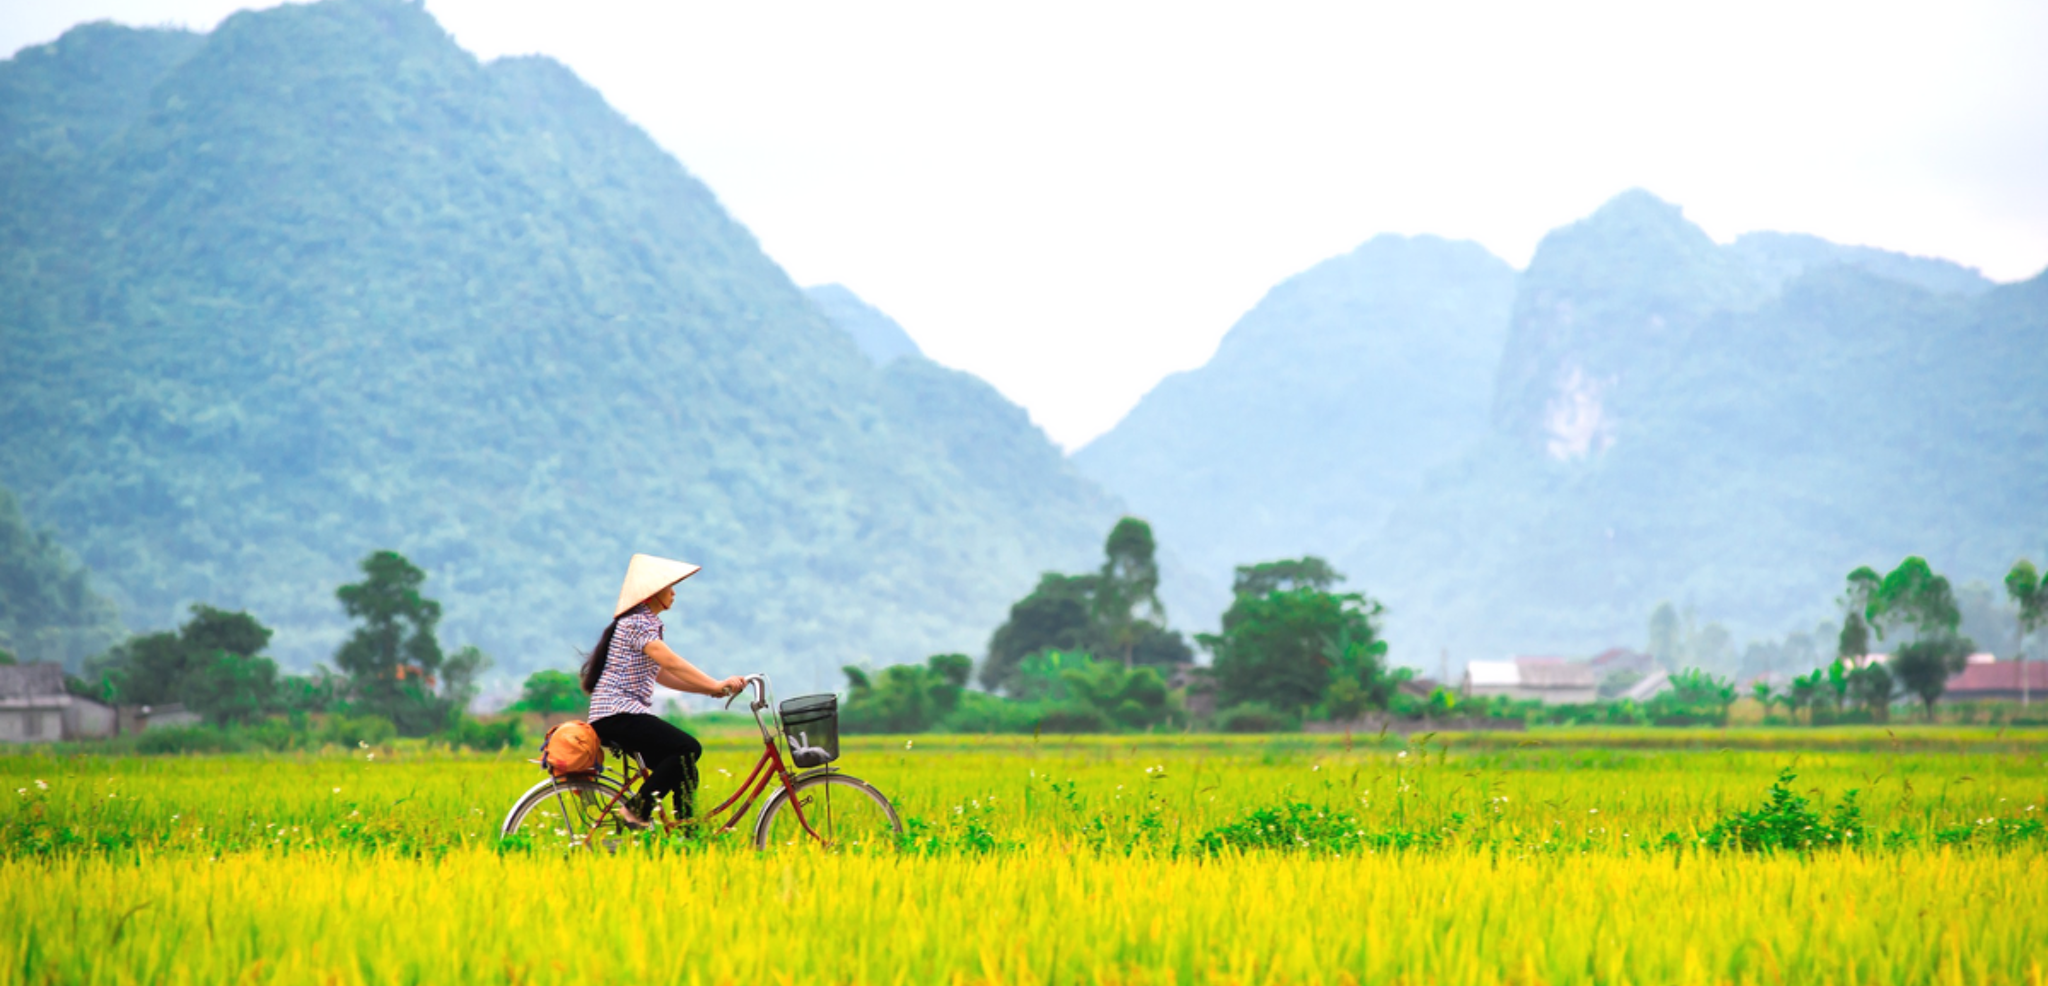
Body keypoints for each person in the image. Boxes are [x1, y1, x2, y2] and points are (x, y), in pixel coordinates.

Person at [580, 553, 744, 825]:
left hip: (619, 716)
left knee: (685, 768)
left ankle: (687, 836)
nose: (674, 593)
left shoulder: (640, 623)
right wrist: (715, 683)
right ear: (651, 594)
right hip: (617, 715)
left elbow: (663, 674)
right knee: (688, 748)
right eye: (669, 587)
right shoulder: (637, 623)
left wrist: (708, 690)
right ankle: (636, 811)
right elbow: (671, 662)